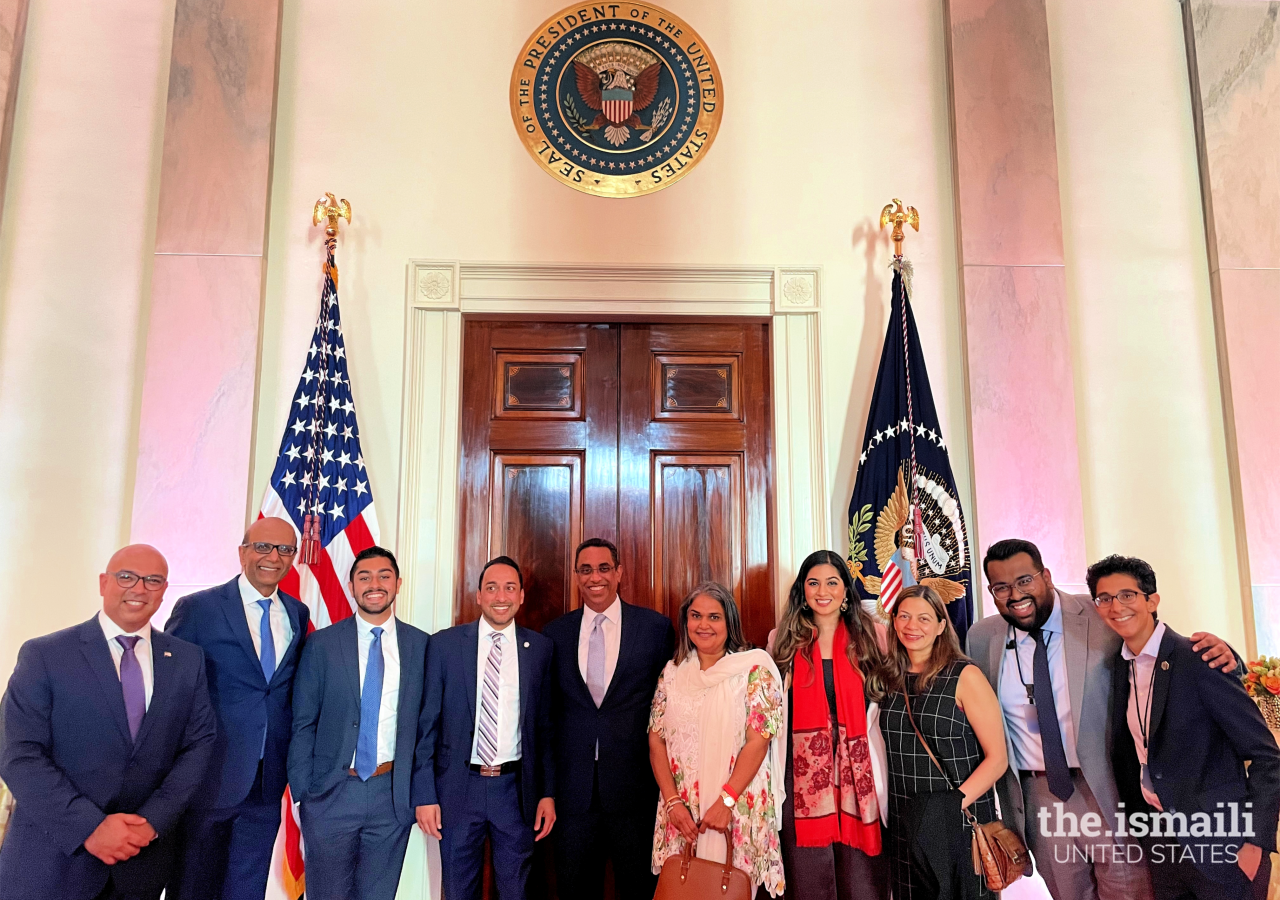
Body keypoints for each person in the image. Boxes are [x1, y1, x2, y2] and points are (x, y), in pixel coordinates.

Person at [967, 538, 1237, 900]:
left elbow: (1158, 647)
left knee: (1131, 892)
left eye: (1025, 581)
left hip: (1109, 789)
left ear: (1045, 576)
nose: (1015, 594)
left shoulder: (1098, 614)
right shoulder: (982, 637)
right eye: (1001, 587)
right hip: (1039, 796)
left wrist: (1225, 654)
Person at [0, 545, 216, 900]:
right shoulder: (45, 655)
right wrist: (91, 827)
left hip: (140, 863)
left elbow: (198, 745)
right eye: (127, 577)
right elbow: (18, 754)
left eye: (153, 580)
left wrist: (151, 823)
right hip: (53, 860)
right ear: (104, 583)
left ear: (164, 591)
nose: (139, 588)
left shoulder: (186, 660)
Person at [1091, 554, 1280, 900]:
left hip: (1224, 845)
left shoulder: (1199, 658)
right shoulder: (1120, 666)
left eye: (1127, 595)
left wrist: (1256, 842)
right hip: (1162, 842)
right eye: (1104, 598)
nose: (1116, 606)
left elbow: (1267, 756)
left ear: (1152, 600)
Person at [165, 517, 311, 900]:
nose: (273, 557)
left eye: (284, 549)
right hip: (208, 775)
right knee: (194, 887)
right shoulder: (198, 608)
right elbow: (171, 688)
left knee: (247, 889)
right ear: (243, 551)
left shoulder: (297, 613)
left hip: (267, 781)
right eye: (263, 547)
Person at [288, 546, 430, 900]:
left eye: (384, 576)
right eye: (364, 577)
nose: (374, 584)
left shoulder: (423, 646)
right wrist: (305, 791)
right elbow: (303, 723)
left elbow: (429, 728)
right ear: (351, 586)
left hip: (391, 796)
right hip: (331, 794)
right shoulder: (321, 644)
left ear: (398, 584)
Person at [412, 556, 556, 900]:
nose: (500, 596)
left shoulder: (539, 650)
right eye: (491, 588)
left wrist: (548, 793)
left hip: (516, 791)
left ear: (521, 596)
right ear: (479, 595)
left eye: (509, 588)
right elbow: (426, 725)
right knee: (458, 890)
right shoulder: (444, 645)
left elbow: (545, 728)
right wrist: (425, 794)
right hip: (458, 791)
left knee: (515, 891)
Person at [542, 537, 675, 900]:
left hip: (635, 793)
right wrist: (548, 791)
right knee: (574, 890)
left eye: (603, 568)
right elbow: (548, 721)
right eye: (585, 570)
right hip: (573, 797)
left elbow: (669, 711)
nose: (594, 577)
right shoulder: (555, 634)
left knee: (637, 890)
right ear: (576, 576)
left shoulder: (654, 629)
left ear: (619, 573)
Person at [649, 581, 787, 897]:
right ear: (685, 622)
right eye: (696, 616)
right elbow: (657, 741)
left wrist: (726, 801)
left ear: (729, 622)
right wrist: (672, 803)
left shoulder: (754, 669)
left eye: (714, 617)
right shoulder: (672, 674)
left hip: (735, 807)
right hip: (682, 812)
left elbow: (759, 741)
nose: (703, 625)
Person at [770, 550, 890, 900]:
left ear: (846, 590)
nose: (823, 591)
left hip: (861, 769)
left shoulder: (874, 637)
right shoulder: (783, 640)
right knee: (809, 872)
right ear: (802, 591)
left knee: (861, 876)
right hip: (804, 775)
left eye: (832, 582)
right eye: (813, 583)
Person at [880, 585, 1007, 900]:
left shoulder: (965, 676)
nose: (912, 626)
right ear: (893, 621)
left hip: (959, 821)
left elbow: (997, 758)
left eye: (924, 618)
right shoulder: (886, 678)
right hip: (904, 823)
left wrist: (950, 806)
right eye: (904, 616)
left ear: (940, 626)